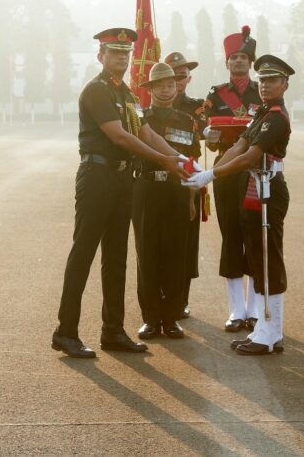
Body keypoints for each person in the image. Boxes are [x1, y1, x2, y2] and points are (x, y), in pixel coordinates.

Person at [52, 28, 189, 359]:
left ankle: (112, 331)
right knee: (83, 254)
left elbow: (145, 132)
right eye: (114, 52)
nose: (121, 58)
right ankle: (65, 331)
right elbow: (120, 137)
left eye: (125, 53)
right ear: (100, 56)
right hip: (97, 177)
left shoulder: (127, 96)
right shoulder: (96, 91)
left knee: (116, 258)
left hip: (121, 180)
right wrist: (165, 161)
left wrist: (182, 159)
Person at [187, 54, 294, 355]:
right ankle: (265, 330)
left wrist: (211, 173)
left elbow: (250, 156)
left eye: (273, 80)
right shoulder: (263, 112)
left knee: (268, 258)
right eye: (264, 80)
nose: (266, 85)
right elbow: (239, 145)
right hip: (255, 187)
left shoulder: (276, 116)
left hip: (268, 189)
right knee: (258, 257)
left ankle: (272, 330)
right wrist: (213, 168)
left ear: (285, 85)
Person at [203, 26, 263, 332]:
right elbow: (207, 131)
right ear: (226, 63)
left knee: (253, 234)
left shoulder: (261, 92)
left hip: (255, 168)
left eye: (243, 57)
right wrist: (210, 135)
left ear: (250, 62)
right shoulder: (215, 94)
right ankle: (235, 309)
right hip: (226, 168)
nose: (238, 62)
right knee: (230, 234)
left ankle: (254, 308)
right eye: (233, 58)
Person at [133, 62, 199, 340]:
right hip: (146, 188)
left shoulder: (187, 121)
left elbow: (192, 163)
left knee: (175, 255)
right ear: (150, 89)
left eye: (171, 84)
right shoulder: (138, 118)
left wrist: (192, 199)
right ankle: (150, 318)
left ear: (177, 87)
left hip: (176, 191)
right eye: (160, 84)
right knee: (147, 255)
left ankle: (171, 318)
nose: (166, 88)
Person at [164, 51, 207, 319]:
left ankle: (181, 299)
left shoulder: (197, 105)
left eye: (182, 76)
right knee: (159, 242)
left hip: (188, 178)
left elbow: (205, 132)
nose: (178, 81)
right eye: (173, 76)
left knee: (187, 244)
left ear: (189, 79)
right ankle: (159, 298)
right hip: (158, 178)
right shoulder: (152, 106)